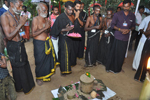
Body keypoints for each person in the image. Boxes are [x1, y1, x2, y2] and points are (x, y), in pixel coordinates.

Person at [1, 0, 35, 94]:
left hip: (20, 43)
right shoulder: (4, 17)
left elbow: (20, 30)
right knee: (17, 67)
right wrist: (20, 23)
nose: (21, 8)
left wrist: (23, 33)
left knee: (25, 63)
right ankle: (20, 87)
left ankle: (27, 86)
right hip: (13, 46)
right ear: (11, 4)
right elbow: (8, 36)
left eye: (21, 6)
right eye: (19, 6)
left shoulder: (16, 15)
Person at [106, 0, 135, 73]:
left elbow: (133, 26)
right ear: (122, 6)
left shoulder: (132, 15)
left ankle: (118, 68)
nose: (126, 8)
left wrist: (129, 30)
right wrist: (120, 29)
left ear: (130, 6)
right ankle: (110, 68)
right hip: (117, 36)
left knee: (122, 54)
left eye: (127, 6)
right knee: (114, 53)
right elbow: (112, 25)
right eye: (124, 6)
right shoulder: (117, 14)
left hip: (125, 38)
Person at [32, 3, 57, 86]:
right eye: (44, 10)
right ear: (38, 11)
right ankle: (38, 77)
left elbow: (47, 31)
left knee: (47, 61)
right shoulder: (35, 19)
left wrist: (48, 27)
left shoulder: (46, 19)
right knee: (39, 61)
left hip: (46, 42)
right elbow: (33, 34)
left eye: (47, 10)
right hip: (39, 44)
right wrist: (45, 27)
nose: (46, 12)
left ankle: (46, 76)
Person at [51, 1, 74, 75]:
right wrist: (64, 29)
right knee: (63, 54)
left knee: (69, 53)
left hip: (70, 38)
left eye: (72, 10)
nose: (71, 11)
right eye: (69, 9)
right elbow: (53, 30)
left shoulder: (71, 16)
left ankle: (68, 69)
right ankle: (63, 71)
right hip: (63, 38)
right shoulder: (60, 17)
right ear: (65, 8)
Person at [70, 1, 83, 66]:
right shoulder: (71, 13)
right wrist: (75, 17)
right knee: (71, 48)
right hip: (71, 33)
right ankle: (71, 63)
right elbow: (70, 23)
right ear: (74, 6)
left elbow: (82, 24)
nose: (79, 8)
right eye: (77, 6)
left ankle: (73, 62)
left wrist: (78, 17)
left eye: (80, 7)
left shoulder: (79, 14)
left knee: (76, 48)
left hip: (77, 34)